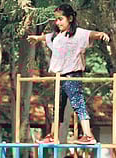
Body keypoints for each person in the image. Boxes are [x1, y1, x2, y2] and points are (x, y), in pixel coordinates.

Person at [27, 3, 110, 145]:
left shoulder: (78, 33)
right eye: (56, 19)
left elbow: (91, 34)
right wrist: (37, 38)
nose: (57, 22)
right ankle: (53, 136)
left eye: (61, 19)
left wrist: (101, 34)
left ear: (70, 18)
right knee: (58, 107)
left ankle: (88, 135)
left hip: (72, 76)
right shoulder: (57, 36)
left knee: (78, 103)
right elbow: (47, 37)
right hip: (60, 77)